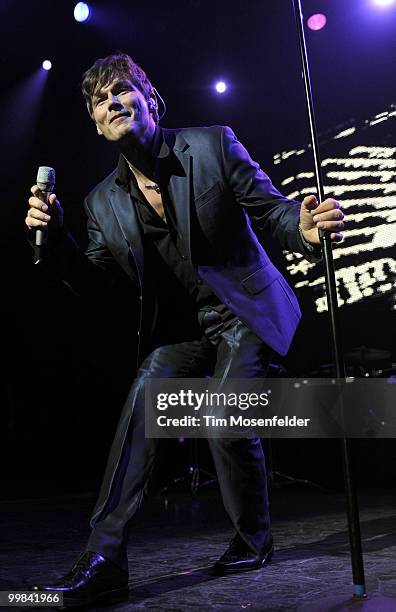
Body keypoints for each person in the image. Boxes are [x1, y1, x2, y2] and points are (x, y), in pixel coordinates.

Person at [25, 52, 345, 609]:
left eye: (123, 90)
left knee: (224, 418)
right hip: (183, 330)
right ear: (98, 125)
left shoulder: (213, 144)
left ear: (151, 101)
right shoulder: (101, 201)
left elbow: (272, 212)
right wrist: (56, 244)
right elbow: (96, 282)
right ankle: (103, 560)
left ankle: (253, 537)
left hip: (245, 312)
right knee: (137, 414)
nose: (113, 102)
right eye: (101, 101)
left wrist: (306, 227)